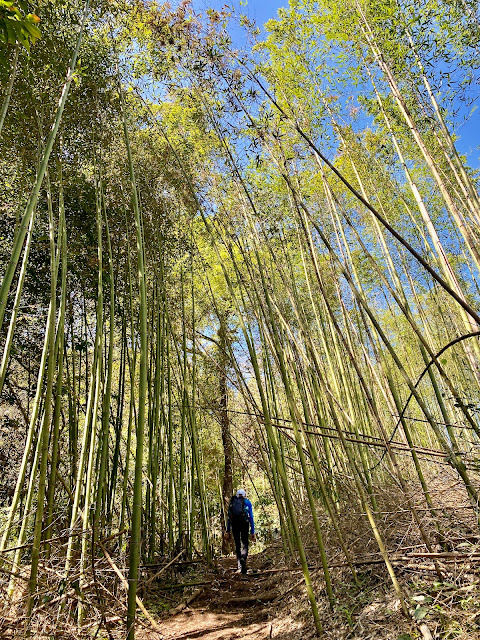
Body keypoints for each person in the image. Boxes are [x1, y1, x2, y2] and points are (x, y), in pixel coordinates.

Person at [226, 488, 255, 574]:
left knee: (237, 543)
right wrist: (252, 531)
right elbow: (251, 517)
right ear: (244, 495)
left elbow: (229, 517)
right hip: (244, 523)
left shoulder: (232, 502)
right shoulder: (247, 502)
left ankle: (239, 564)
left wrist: (228, 530)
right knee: (245, 543)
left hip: (235, 524)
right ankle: (243, 558)